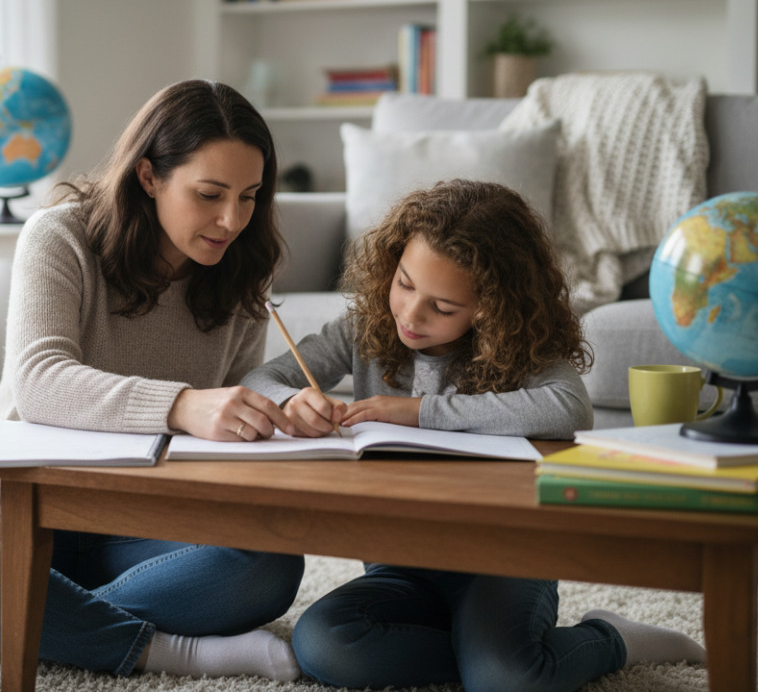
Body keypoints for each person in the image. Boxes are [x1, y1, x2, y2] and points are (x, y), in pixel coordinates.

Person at [0, 79, 304, 681]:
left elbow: (234, 406)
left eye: (249, 196)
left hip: (146, 520)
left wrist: (275, 407)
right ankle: (166, 649)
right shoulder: (60, 236)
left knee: (269, 564)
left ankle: (5, 624)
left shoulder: (241, 272)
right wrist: (181, 405)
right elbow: (41, 383)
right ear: (149, 176)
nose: (231, 219)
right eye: (209, 194)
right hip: (19, 505)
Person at [243, 180, 706, 691]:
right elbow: (259, 381)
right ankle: (490, 659)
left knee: (509, 680)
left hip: (504, 561)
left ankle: (609, 638)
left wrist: (421, 412)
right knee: (324, 645)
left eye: (442, 308)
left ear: (490, 307)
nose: (411, 314)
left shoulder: (518, 343)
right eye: (404, 282)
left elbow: (568, 406)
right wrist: (291, 401)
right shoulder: (363, 327)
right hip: (403, 564)